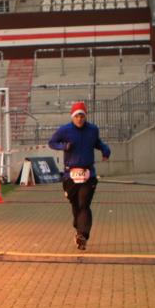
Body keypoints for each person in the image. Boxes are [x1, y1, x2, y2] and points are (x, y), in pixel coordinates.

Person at [47, 101, 111, 251]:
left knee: (84, 204)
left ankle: (83, 234)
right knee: (76, 205)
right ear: (72, 117)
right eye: (77, 116)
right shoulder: (65, 130)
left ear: (85, 116)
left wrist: (105, 150)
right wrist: (64, 146)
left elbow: (98, 143)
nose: (79, 119)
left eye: (82, 116)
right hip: (70, 175)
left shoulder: (93, 130)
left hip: (88, 174)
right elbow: (52, 142)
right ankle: (78, 228)